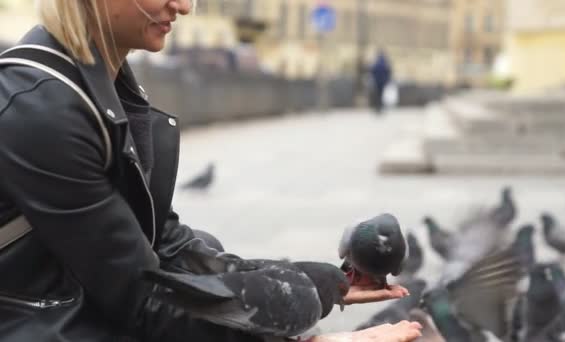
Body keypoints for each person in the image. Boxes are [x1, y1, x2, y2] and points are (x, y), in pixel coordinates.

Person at [0, 1, 422, 341]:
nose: (183, 6)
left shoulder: (107, 86)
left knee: (205, 244)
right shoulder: (42, 109)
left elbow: (165, 243)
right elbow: (142, 299)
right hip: (32, 322)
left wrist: (314, 282)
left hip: (75, 299)